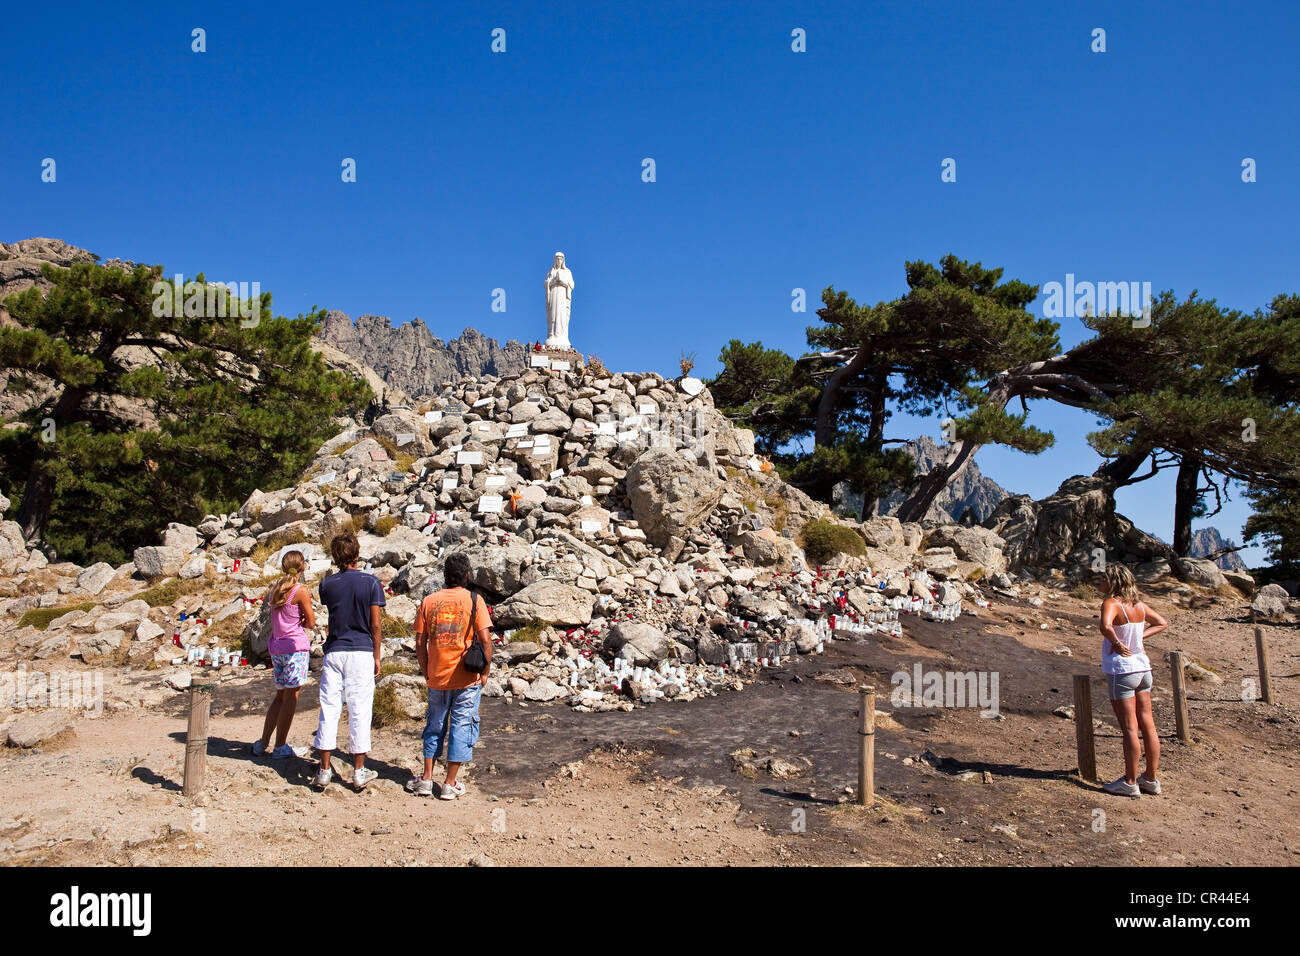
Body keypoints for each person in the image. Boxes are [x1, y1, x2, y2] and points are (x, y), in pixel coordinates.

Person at [406, 553, 493, 800]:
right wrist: (484, 671)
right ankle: (450, 782)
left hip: (437, 675)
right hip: (466, 677)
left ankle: (425, 778)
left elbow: (420, 642)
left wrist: (426, 670)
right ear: (467, 575)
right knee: (461, 725)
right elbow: (485, 639)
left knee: (434, 725)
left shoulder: (429, 601)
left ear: (445, 576)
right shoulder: (475, 600)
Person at [312, 532, 384, 790]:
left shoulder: (327, 584)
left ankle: (323, 769)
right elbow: (375, 624)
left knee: (329, 707)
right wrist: (377, 654)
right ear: (357, 554)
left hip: (335, 649)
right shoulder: (371, 582)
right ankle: (359, 769)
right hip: (361, 650)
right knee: (360, 709)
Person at [1098, 563, 1168, 797]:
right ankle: (1150, 778)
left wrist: (1117, 644)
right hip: (1143, 668)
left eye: (1103, 579)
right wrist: (1139, 638)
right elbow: (1161, 622)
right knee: (1148, 724)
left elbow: (1105, 626)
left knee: (1129, 728)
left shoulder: (1111, 603)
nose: (1100, 582)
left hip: (1123, 670)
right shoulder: (1137, 604)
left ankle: (1129, 782)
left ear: (1113, 581)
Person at [253, 549, 315, 758]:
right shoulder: (300, 591)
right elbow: (312, 621)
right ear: (302, 567)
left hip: (277, 647)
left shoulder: (275, 589)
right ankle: (280, 746)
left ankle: (263, 742)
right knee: (291, 697)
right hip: (295, 647)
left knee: (280, 696)